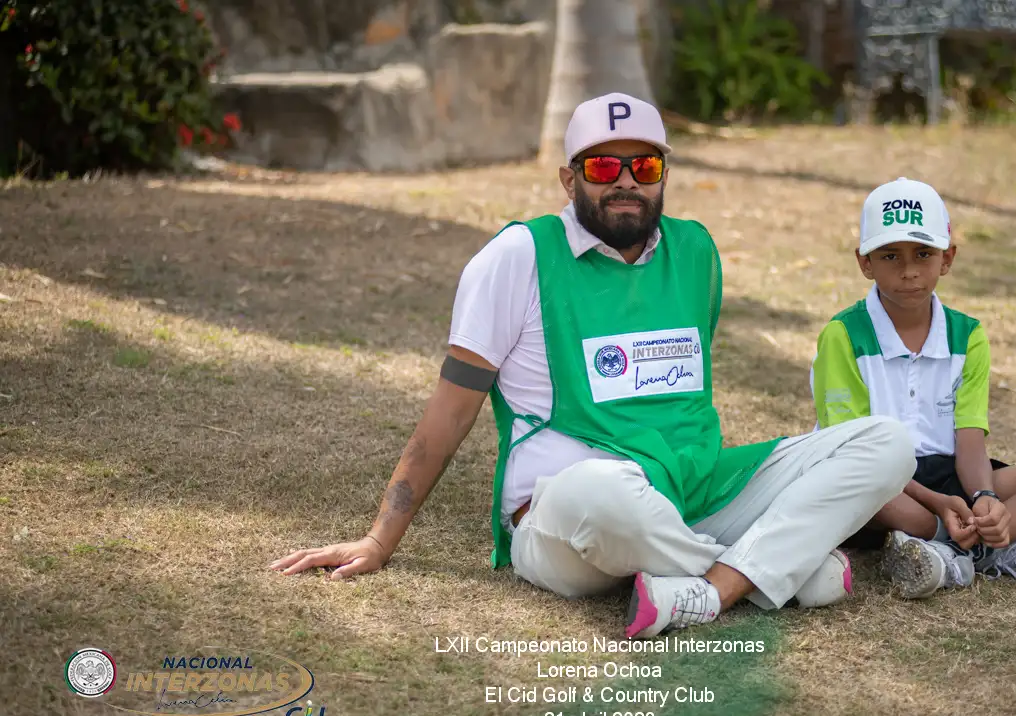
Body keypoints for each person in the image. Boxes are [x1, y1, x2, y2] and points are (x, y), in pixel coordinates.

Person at [270, 93, 915, 638]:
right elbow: (449, 412)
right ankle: (782, 568)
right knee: (600, 491)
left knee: (887, 442)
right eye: (604, 165)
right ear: (568, 178)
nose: (625, 180)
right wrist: (380, 539)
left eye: (645, 165)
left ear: (664, 174)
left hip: (693, 495)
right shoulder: (518, 255)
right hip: (569, 518)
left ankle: (714, 589)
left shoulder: (696, 251)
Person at [809, 177, 1016, 600]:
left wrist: (985, 497)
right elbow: (853, 451)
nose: (909, 270)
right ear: (865, 263)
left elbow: (970, 441)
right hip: (877, 485)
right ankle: (966, 543)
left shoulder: (968, 335)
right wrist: (936, 504)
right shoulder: (843, 335)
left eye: (923, 253)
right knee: (864, 487)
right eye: (890, 255)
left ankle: (963, 548)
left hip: (952, 479)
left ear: (947, 258)